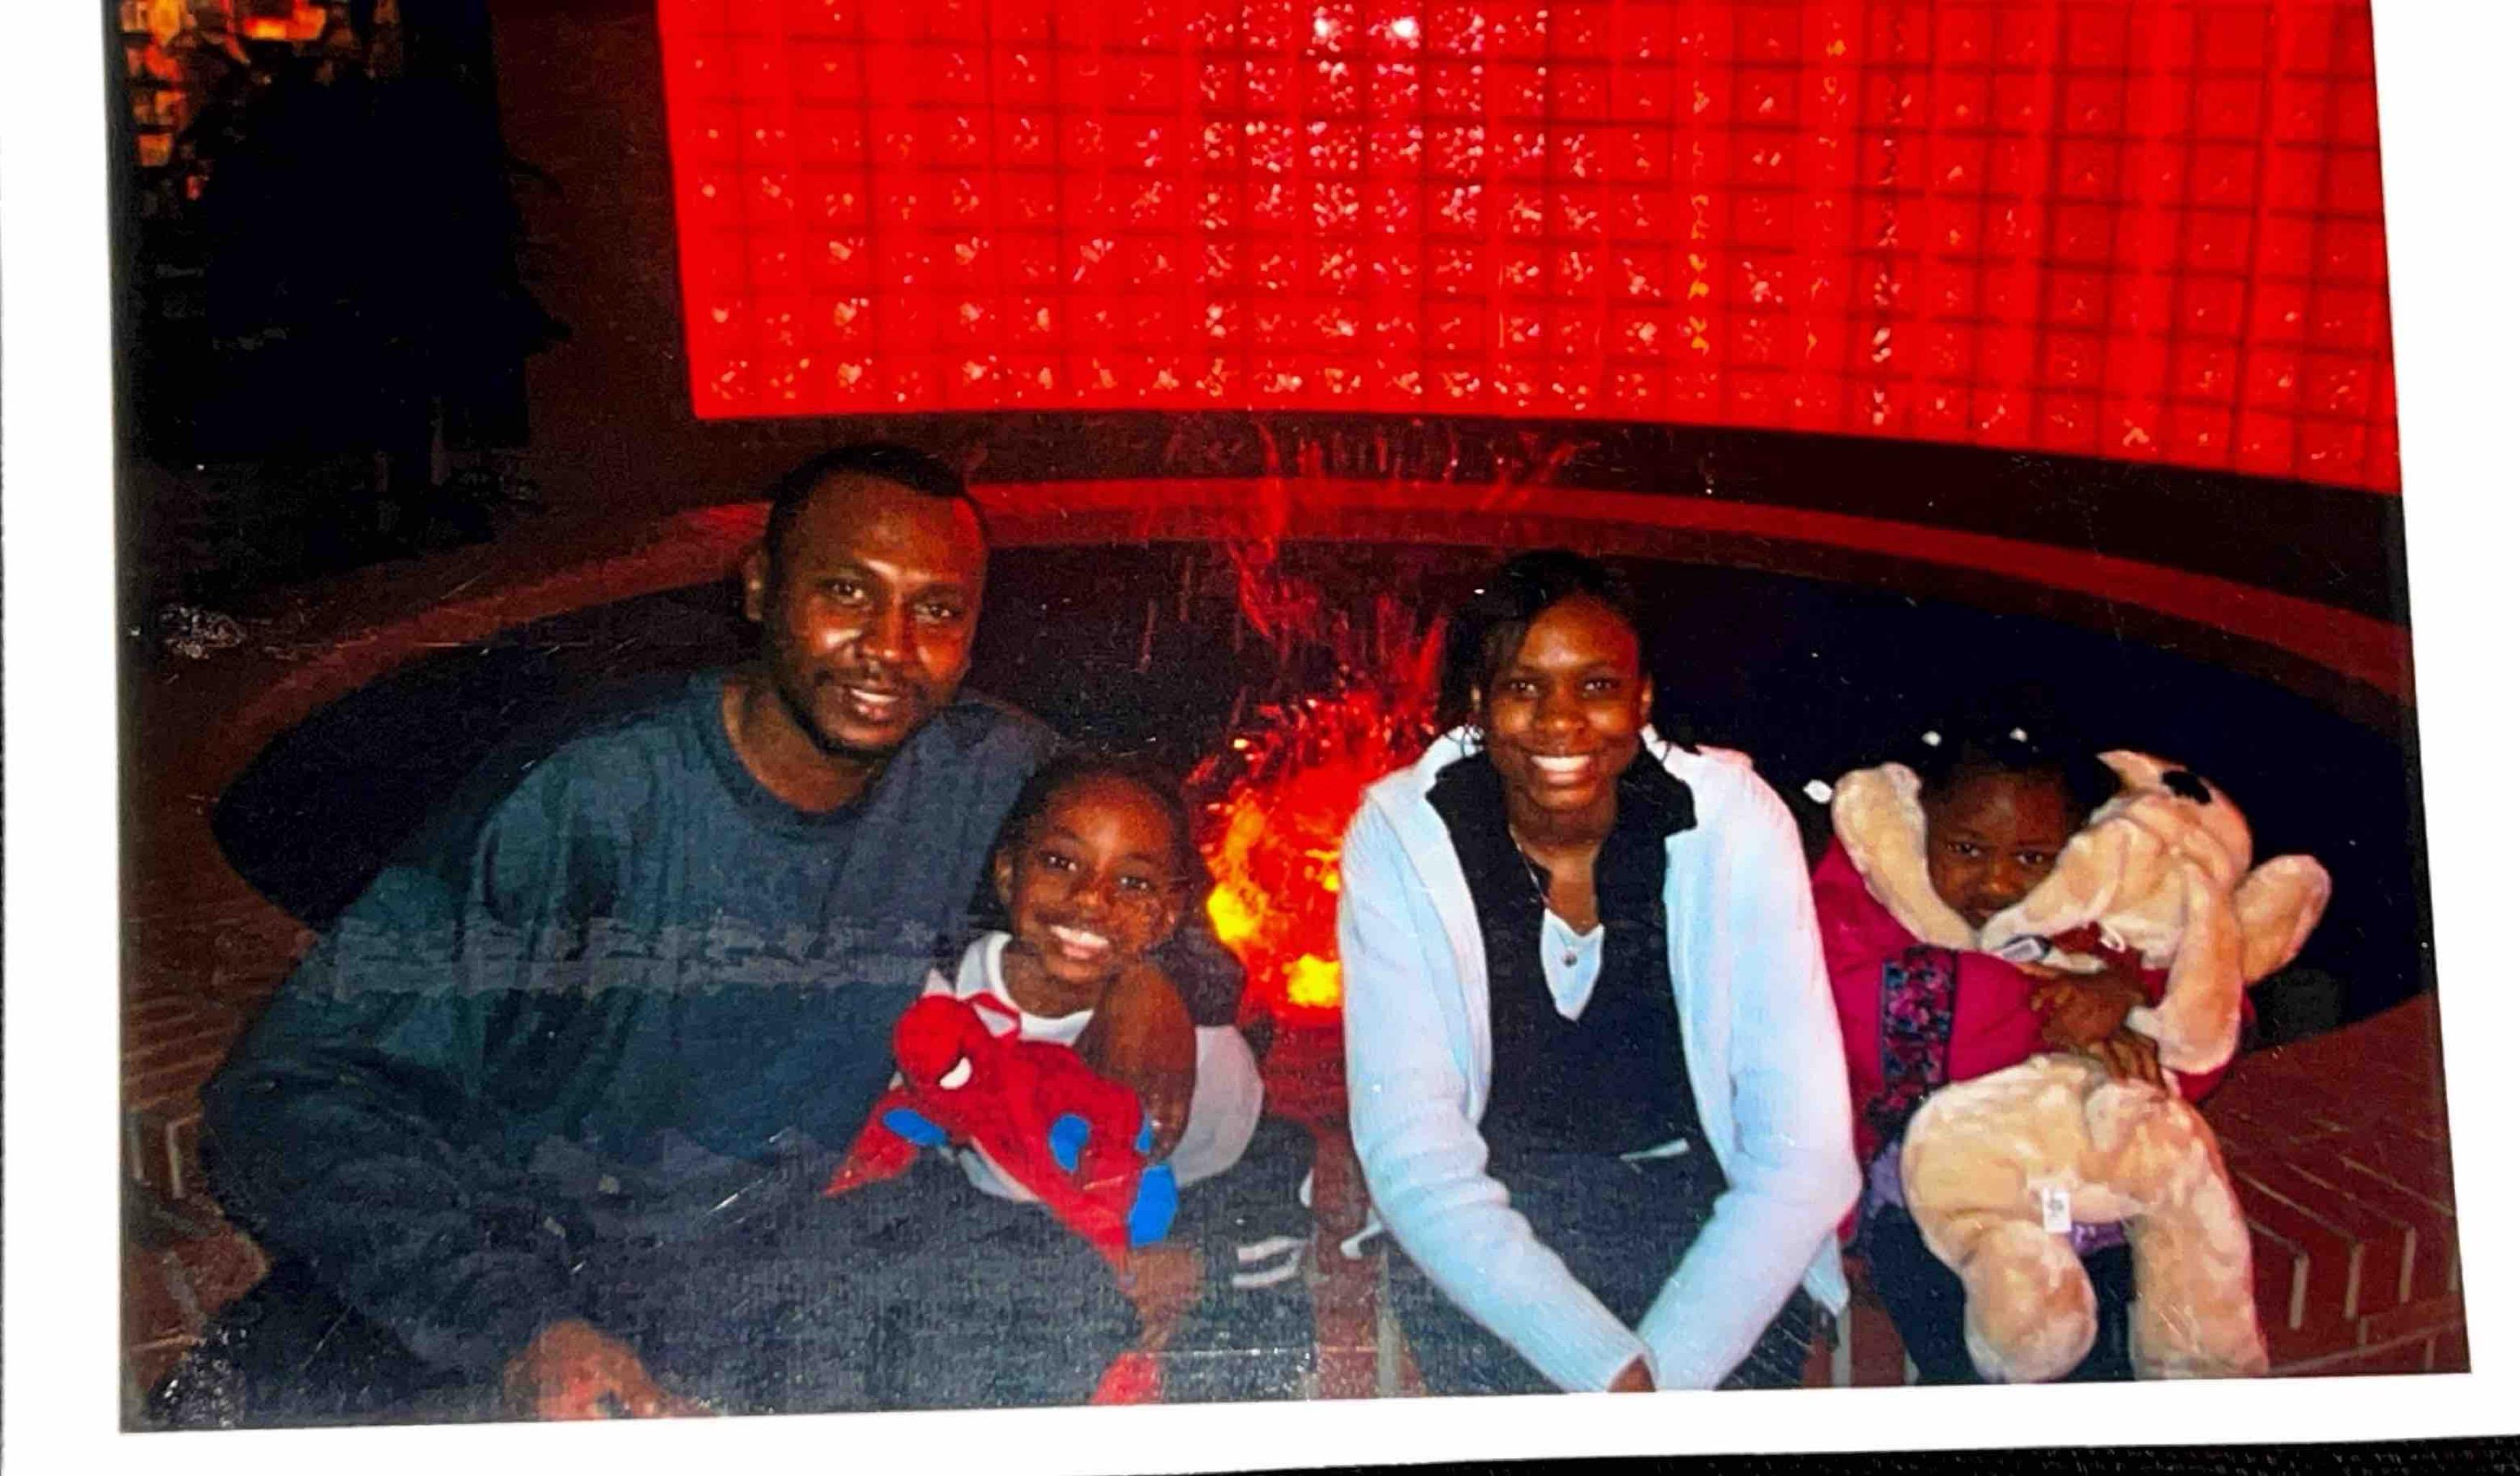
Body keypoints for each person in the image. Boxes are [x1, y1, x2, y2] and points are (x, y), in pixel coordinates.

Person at [154, 444, 1246, 1426]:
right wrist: (516, 1324)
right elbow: (289, 1090)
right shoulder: (593, 797)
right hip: (544, 1239)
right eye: (845, 592)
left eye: (937, 611)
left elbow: (1164, 903)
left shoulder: (980, 772)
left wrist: (1151, 982)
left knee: (1079, 1313)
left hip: (781, 1232)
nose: (888, 649)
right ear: (762, 587)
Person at [1337, 550, 1858, 1395]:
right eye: (1522, 686)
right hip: (1490, 1248)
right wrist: (1604, 1369)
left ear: (1641, 696)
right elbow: (1412, 1151)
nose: (1559, 721)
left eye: (1595, 685)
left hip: (1714, 1229)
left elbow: (1803, 1152)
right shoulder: (1402, 834)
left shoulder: (1730, 823)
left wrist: (1663, 1377)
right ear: (1477, 702)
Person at [1815, 714, 2242, 1385]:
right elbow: (1869, 1017)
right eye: (1966, 849)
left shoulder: (2097, 909)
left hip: (2088, 1209)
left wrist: (2125, 992)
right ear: (1924, 821)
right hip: (1927, 1212)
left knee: (2111, 1373)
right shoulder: (1870, 888)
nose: (1998, 883)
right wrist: (2056, 1010)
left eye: (2033, 858)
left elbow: (2208, 1019)